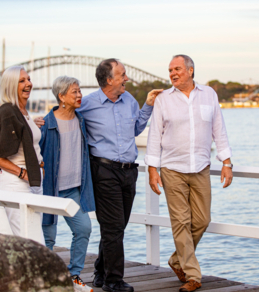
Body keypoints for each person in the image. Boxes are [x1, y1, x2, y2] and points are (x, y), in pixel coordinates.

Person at [145, 55, 233, 292]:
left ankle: (177, 259)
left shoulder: (209, 94)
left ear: (191, 71)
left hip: (201, 167)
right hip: (172, 168)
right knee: (181, 222)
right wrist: (153, 170)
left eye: (177, 69)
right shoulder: (164, 100)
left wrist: (226, 161)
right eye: (170, 70)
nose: (172, 73)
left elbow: (219, 129)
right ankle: (193, 275)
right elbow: (154, 136)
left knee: (203, 219)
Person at [78, 59, 163, 292]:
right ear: (109, 79)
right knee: (114, 227)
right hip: (103, 171)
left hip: (129, 172)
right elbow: (62, 116)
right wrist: (41, 122)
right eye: (122, 74)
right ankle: (113, 281)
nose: (127, 78)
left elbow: (136, 129)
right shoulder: (87, 104)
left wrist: (148, 106)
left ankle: (99, 271)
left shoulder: (130, 101)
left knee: (117, 227)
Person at [39, 76, 95, 292]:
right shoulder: (46, 124)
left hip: (74, 191)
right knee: (48, 240)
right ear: (61, 96)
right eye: (75, 92)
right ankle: (45, 280)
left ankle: (74, 275)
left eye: (79, 91)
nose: (79, 95)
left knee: (84, 229)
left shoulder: (80, 120)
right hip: (49, 192)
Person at [0, 65, 44, 237]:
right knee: (33, 240)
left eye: (28, 79)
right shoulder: (7, 112)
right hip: (17, 183)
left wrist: (31, 124)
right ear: (11, 86)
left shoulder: (22, 113)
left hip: (34, 180)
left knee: (31, 240)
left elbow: (21, 134)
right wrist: (21, 173)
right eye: (22, 81)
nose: (28, 84)